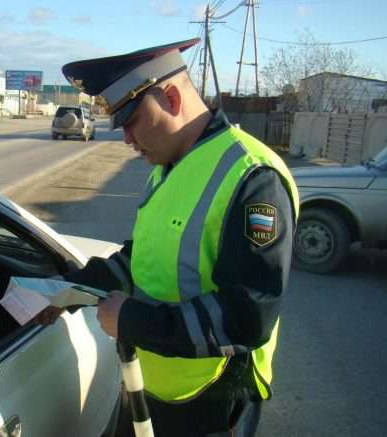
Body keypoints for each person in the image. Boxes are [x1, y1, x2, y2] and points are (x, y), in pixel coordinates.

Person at [53, 39, 300, 436]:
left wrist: (133, 320)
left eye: (131, 120)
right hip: (153, 385)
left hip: (212, 401)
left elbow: (249, 315)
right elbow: (148, 256)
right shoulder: (167, 166)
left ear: (170, 96)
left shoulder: (253, 176)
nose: (126, 138)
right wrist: (70, 287)